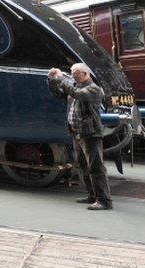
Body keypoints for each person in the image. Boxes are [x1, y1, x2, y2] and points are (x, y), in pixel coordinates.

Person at [48, 63, 113, 210]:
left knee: (96, 167)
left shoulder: (94, 89)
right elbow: (58, 94)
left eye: (75, 73)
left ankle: (104, 200)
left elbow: (77, 94)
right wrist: (52, 80)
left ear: (85, 74)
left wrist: (60, 78)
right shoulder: (76, 86)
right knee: (83, 166)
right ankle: (92, 195)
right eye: (71, 72)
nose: (72, 75)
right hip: (77, 132)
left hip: (90, 133)